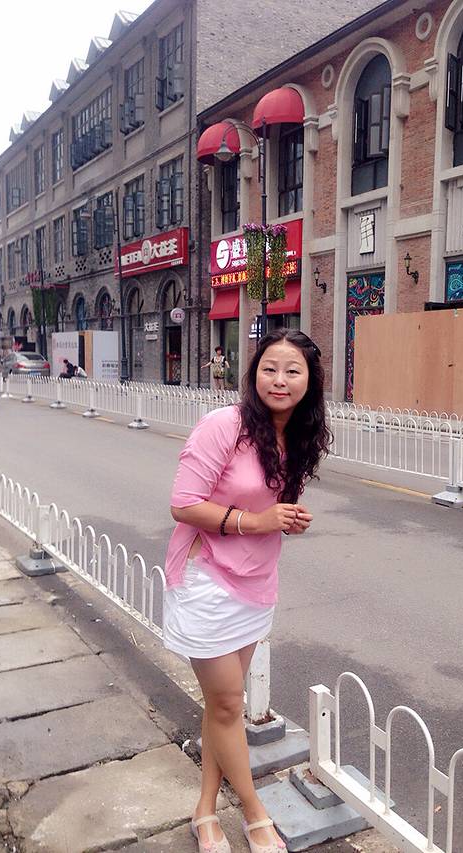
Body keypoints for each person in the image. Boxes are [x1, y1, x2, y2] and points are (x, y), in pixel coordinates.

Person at [164, 329, 330, 853]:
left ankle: (205, 811)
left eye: (293, 371)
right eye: (269, 368)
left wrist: (285, 520)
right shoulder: (224, 426)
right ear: (253, 373)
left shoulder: (298, 435)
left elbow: (271, 507)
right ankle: (256, 815)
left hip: (256, 582)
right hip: (207, 579)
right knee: (228, 704)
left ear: (310, 381)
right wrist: (257, 522)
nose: (279, 380)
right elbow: (183, 504)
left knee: (223, 706)